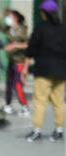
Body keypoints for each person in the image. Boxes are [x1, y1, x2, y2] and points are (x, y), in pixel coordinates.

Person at [9, 0, 65, 142]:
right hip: (61, 71)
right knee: (59, 102)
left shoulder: (40, 28)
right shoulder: (63, 28)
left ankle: (37, 131)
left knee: (40, 101)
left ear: (43, 13)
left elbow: (31, 49)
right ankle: (59, 131)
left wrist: (25, 69)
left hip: (44, 70)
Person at [0, 9, 30, 116]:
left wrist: (14, 45)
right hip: (11, 61)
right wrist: (2, 14)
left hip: (20, 61)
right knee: (8, 84)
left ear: (16, 18)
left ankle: (25, 107)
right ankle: (8, 105)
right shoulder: (8, 29)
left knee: (17, 85)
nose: (8, 19)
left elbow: (27, 44)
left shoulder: (23, 29)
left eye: (10, 16)